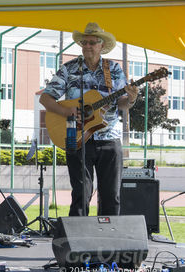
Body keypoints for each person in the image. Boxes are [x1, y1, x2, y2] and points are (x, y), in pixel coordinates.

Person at [39, 22, 138, 216]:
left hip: (109, 138)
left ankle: (108, 239)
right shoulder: (69, 69)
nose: (88, 46)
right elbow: (45, 97)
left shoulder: (114, 70)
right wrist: (64, 111)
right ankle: (77, 241)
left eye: (92, 42)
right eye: (85, 42)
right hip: (75, 137)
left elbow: (122, 104)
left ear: (102, 46)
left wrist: (132, 98)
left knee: (111, 195)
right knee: (80, 195)